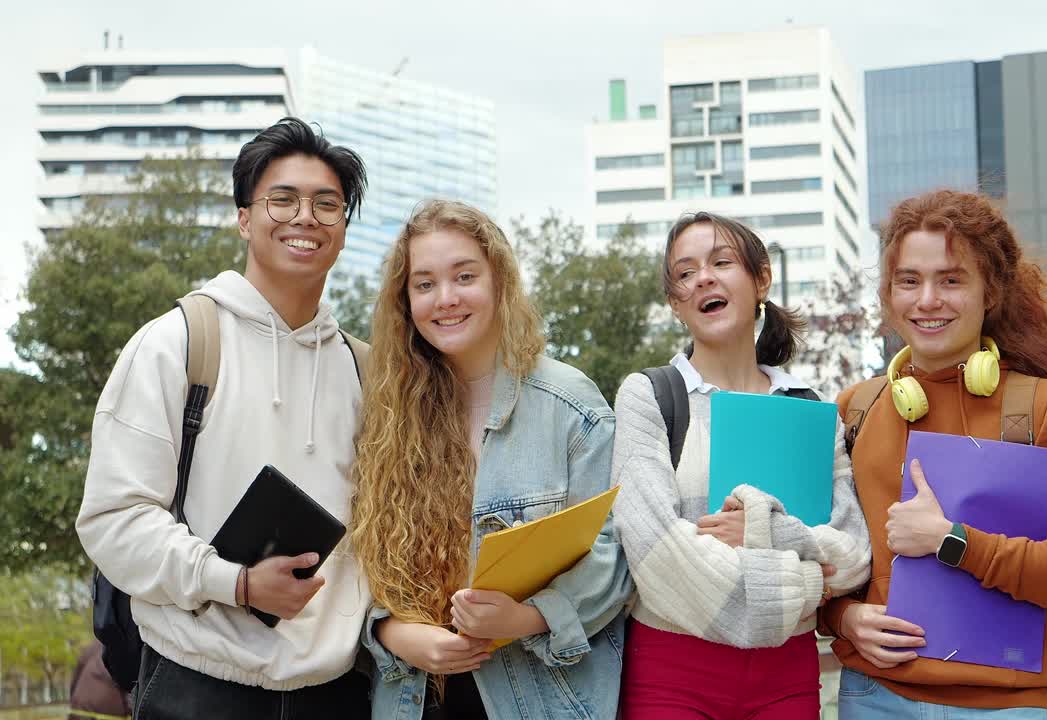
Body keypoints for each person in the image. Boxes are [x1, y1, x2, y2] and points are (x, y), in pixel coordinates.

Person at [76, 117, 373, 719]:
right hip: (198, 685)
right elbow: (113, 519)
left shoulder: (364, 368)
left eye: (327, 204)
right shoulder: (178, 343)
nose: (305, 217)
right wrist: (234, 582)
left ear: (343, 227)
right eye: (281, 199)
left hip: (339, 692)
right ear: (244, 217)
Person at [822, 190, 1047, 719]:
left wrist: (951, 542)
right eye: (909, 281)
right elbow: (822, 560)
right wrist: (843, 618)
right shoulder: (856, 409)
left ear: (991, 293)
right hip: (873, 699)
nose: (927, 299)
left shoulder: (1043, 408)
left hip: (1006, 706)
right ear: (890, 295)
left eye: (951, 279)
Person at [350, 199, 632, 719]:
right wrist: (394, 632)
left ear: (499, 281)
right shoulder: (390, 418)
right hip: (414, 700)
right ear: (404, 300)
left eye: (464, 276)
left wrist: (525, 618)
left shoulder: (570, 404)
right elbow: (364, 567)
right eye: (425, 283)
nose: (447, 298)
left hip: (540, 696)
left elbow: (616, 556)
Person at [610, 211, 872, 719]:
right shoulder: (650, 397)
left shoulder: (810, 410)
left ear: (761, 279)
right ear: (675, 305)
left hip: (788, 676)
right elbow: (653, 550)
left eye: (722, 262)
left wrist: (762, 531)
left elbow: (856, 553)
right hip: (671, 670)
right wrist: (810, 579)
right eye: (685, 274)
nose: (703, 277)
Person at [68, 640, 130, 720]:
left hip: (79, 707)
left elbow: (76, 677)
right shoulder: (126, 647)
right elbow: (130, 687)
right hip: (107, 709)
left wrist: (74, 700)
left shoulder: (93, 646)